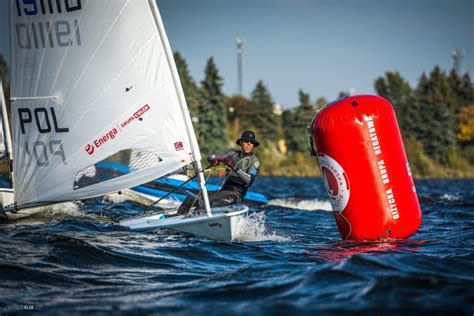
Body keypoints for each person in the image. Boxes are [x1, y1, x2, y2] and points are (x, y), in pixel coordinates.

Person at [178, 130, 260, 215]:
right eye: (246, 141)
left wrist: (235, 168)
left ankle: (198, 219)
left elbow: (249, 181)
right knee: (192, 197)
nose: (249, 144)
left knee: (205, 202)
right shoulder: (232, 154)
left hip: (235, 194)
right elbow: (211, 157)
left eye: (251, 142)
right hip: (223, 191)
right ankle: (177, 219)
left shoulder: (254, 161)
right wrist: (214, 160)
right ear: (241, 142)